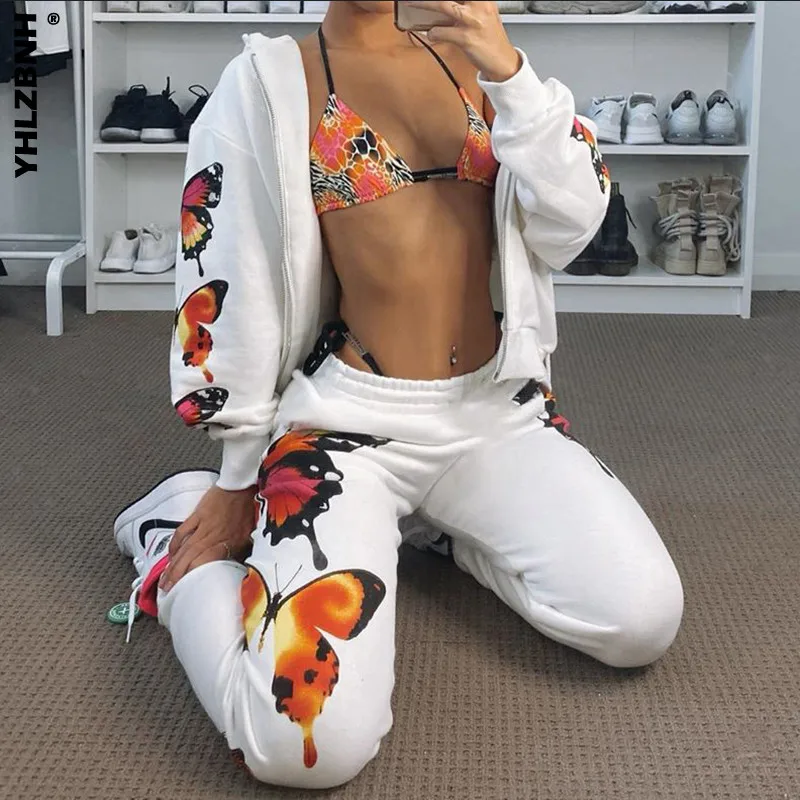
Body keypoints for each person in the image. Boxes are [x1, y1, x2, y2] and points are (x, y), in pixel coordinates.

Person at [114, 0, 684, 789]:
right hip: (347, 428)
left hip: (495, 415)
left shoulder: (481, 63)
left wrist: (509, 72)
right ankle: (169, 540)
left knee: (641, 618)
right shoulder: (270, 81)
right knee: (307, 748)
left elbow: (574, 225)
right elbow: (227, 281)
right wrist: (238, 476)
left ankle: (439, 530)